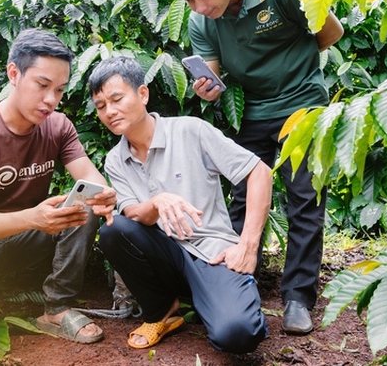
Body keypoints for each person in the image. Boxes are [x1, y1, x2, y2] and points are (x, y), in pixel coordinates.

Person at [169, 0, 344, 335]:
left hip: (303, 106)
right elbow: (212, 72)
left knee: (305, 197)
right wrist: (208, 87)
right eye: (189, 1)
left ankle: (298, 298)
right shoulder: (202, 20)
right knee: (244, 197)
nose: (198, 8)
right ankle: (236, 281)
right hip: (255, 111)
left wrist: (294, 67)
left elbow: (331, 31)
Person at [0, 28, 117, 345]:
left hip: (28, 234)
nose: (50, 100)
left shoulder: (58, 125)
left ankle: (55, 308)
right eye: (42, 86)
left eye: (59, 90)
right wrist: (31, 218)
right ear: (14, 73)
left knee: (84, 203)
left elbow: (88, 176)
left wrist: (105, 193)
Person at [88, 56, 271, 354]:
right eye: (100, 106)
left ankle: (225, 299)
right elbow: (132, 215)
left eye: (116, 99)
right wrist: (157, 202)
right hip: (165, 255)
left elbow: (259, 172)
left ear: (143, 94)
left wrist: (248, 246)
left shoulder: (191, 130)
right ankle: (162, 310)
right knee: (113, 229)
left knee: (237, 336)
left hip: (212, 253)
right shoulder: (115, 159)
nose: (110, 111)